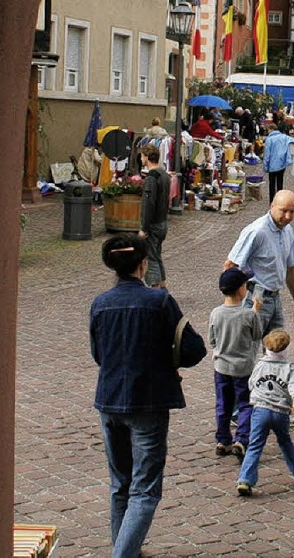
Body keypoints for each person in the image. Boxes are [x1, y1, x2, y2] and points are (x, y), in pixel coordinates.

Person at [90, 233, 206, 558]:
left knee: (120, 485)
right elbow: (194, 349)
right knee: (144, 490)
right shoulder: (159, 301)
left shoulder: (100, 304)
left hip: (109, 400)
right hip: (149, 401)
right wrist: (167, 361)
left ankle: (127, 549)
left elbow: (99, 354)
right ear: (144, 264)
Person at [224, 190, 294, 336]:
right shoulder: (257, 231)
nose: (287, 217)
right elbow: (230, 265)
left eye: (292, 212)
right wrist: (233, 303)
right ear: (272, 206)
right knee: (249, 348)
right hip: (254, 297)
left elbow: (291, 268)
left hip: (275, 298)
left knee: (278, 350)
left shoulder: (287, 230)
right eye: (283, 211)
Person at [236, 329, 294, 495]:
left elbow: (251, 383)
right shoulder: (289, 368)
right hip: (280, 412)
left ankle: (245, 479)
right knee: (284, 440)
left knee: (255, 445)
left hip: (260, 410)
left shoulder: (260, 365)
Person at [208, 268, 264, 459]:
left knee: (223, 404)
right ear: (242, 289)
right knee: (246, 404)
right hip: (244, 368)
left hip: (221, 367)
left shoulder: (215, 313)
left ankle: (223, 440)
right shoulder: (248, 315)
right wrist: (255, 310)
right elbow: (257, 335)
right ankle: (242, 439)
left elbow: (212, 340)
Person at [139, 143, 171, 288]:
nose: (140, 158)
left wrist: (144, 227)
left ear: (146, 157)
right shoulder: (164, 175)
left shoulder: (151, 178)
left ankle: (155, 288)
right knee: (157, 254)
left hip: (153, 224)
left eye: (141, 155)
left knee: (150, 257)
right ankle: (163, 284)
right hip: (163, 221)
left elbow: (148, 204)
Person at [262, 122, 294, 203]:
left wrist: (265, 167)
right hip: (282, 163)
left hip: (272, 164)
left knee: (272, 183)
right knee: (280, 181)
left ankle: (272, 201)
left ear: (271, 129)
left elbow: (267, 155)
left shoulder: (269, 139)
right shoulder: (284, 137)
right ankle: (280, 199)